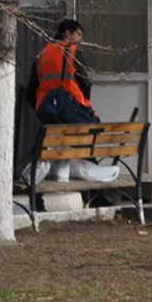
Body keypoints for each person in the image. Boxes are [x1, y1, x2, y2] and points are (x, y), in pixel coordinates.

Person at [24, 19, 115, 183]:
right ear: (67, 33)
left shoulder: (42, 54)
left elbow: (31, 90)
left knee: (58, 143)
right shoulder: (72, 52)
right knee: (89, 133)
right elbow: (84, 81)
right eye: (78, 34)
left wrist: (40, 106)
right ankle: (97, 193)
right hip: (70, 106)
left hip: (47, 108)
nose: (81, 39)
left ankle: (60, 175)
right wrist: (85, 103)